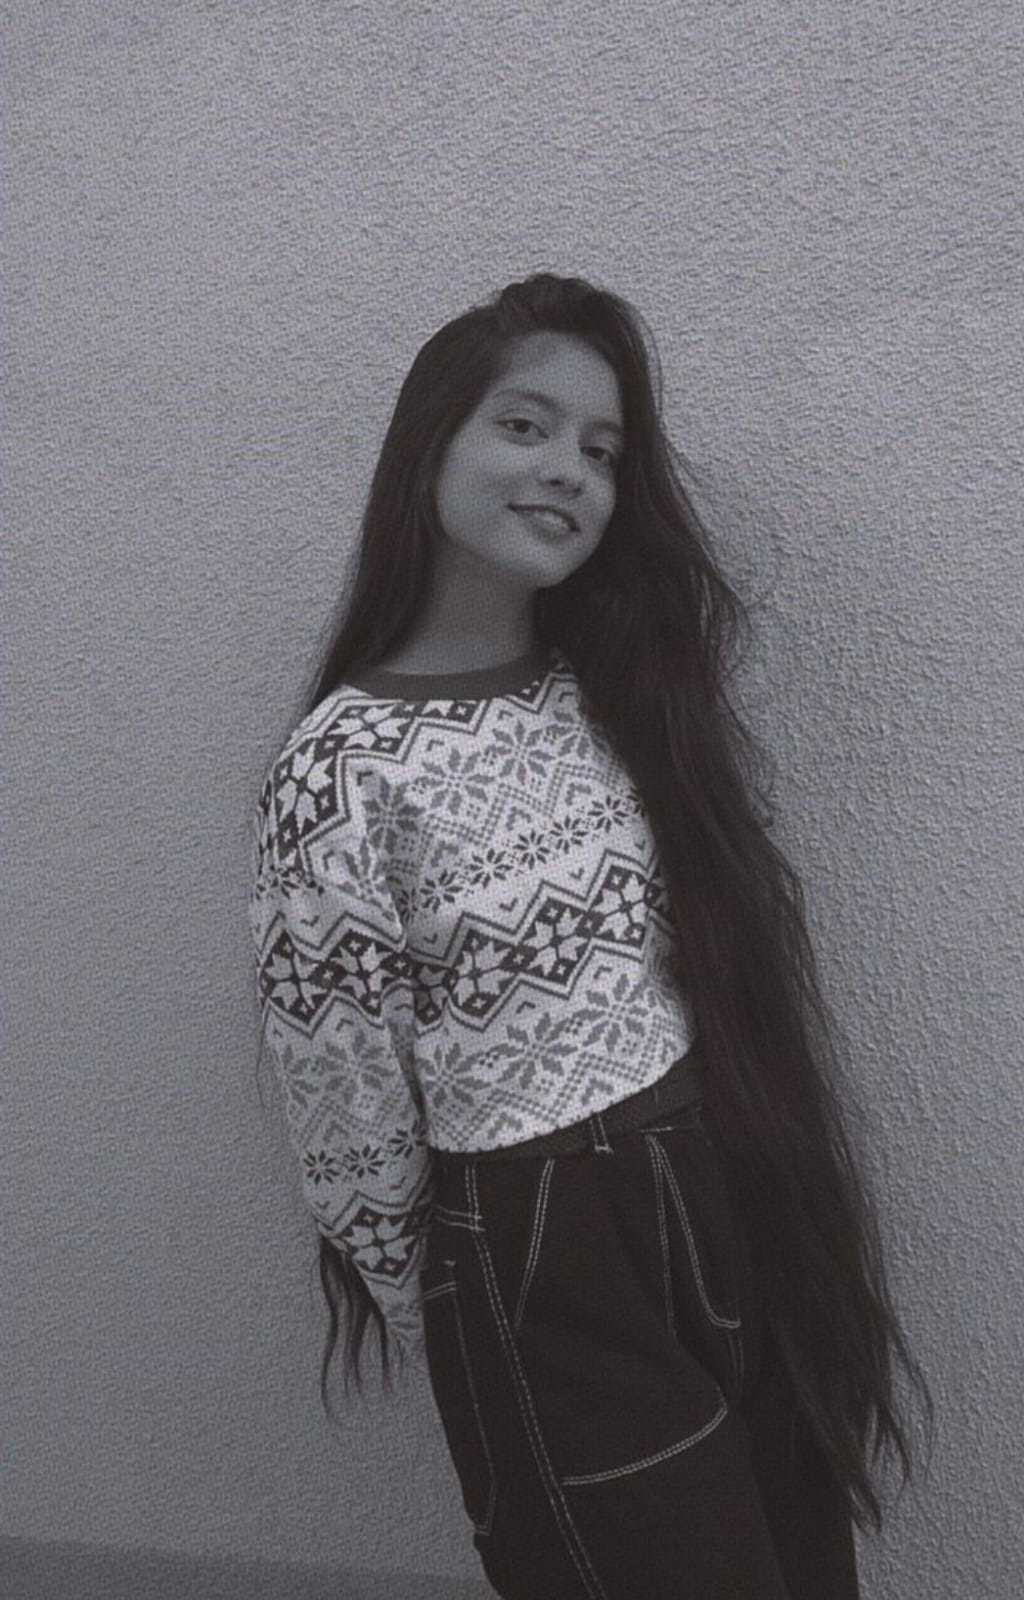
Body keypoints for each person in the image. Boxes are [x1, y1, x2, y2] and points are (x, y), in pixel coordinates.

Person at [247, 272, 933, 1598]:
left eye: (603, 450)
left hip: (718, 1179)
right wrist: (469, 1315)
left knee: (802, 1560)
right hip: (537, 1238)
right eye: (525, 425)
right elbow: (342, 1099)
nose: (569, 468)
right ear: (429, 447)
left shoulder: (611, 694)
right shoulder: (340, 768)